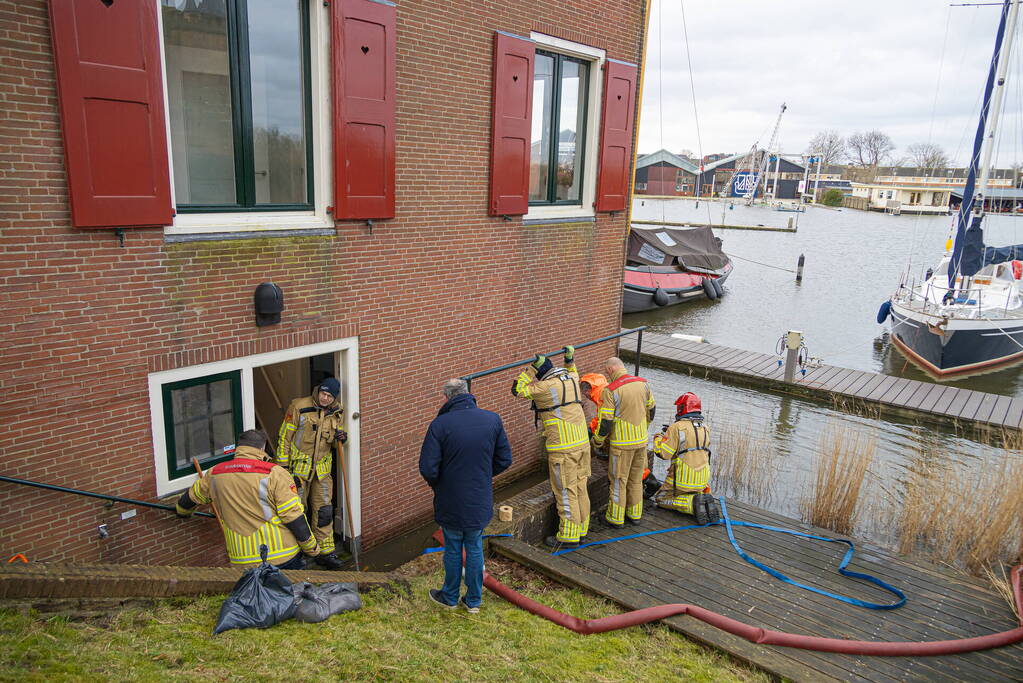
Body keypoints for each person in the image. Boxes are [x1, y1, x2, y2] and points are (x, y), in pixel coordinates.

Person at [420, 378, 512, 613]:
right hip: (479, 497)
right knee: (474, 547)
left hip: (450, 498)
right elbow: (504, 460)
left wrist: (441, 485)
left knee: (452, 547)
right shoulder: (492, 419)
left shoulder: (440, 425)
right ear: (468, 393)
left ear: (447, 398)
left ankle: (449, 597)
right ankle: (473, 601)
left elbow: (428, 468)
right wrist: (482, 475)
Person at [175, 430, 321, 569]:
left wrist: (182, 512)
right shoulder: (275, 474)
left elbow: (186, 502)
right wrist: (312, 548)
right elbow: (292, 516)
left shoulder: (214, 473)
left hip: (241, 560)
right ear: (263, 448)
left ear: (239, 448)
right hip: (281, 556)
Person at [513, 346, 591, 548]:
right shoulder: (572, 378)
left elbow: (517, 390)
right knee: (581, 487)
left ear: (542, 376)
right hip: (583, 444)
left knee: (565, 491)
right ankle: (581, 529)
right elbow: (572, 368)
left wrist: (530, 370)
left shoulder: (544, 387)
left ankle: (568, 536)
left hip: (563, 448)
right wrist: (569, 357)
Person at [276, 377, 347, 570]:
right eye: (323, 394)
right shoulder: (299, 407)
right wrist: (283, 468)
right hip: (297, 471)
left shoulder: (336, 412)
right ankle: (297, 553)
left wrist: (342, 437)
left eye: (329, 396)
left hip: (322, 472)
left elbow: (334, 442)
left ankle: (325, 552)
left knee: (324, 511)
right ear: (318, 391)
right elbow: (285, 436)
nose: (325, 398)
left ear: (334, 398)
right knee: (297, 512)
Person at [592, 357, 655, 527]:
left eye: (607, 372)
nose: (607, 375)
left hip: (622, 445)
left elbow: (606, 421)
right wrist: (644, 427)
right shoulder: (643, 383)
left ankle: (615, 518)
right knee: (635, 480)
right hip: (641, 442)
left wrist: (598, 441)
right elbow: (652, 409)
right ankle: (635, 515)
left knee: (618, 481)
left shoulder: (610, 390)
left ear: (611, 370)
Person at [652, 392, 720, 524]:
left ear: (682, 408)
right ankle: (700, 499)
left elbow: (663, 454)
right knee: (692, 492)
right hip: (702, 480)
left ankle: (691, 505)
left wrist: (659, 437)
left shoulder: (676, 427)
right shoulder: (706, 428)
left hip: (682, 479)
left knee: (660, 498)